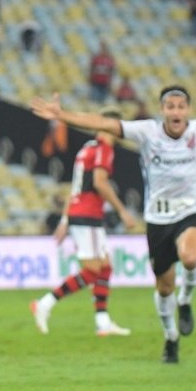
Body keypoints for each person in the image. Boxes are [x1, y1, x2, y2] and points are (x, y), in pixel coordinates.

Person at [31, 86, 196, 363]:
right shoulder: (147, 132)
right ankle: (170, 337)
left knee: (189, 256)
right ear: (162, 110)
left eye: (180, 106)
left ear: (187, 110)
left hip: (193, 210)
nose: (175, 111)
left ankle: (185, 301)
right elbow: (102, 123)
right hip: (157, 219)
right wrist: (62, 116)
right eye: (170, 106)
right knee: (163, 287)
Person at [30, 107, 136, 337]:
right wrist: (123, 211)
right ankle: (45, 303)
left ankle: (102, 321)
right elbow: (99, 183)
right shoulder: (104, 149)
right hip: (88, 216)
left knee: (105, 266)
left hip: (82, 214)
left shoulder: (87, 149)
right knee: (92, 271)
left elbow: (76, 186)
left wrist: (65, 220)